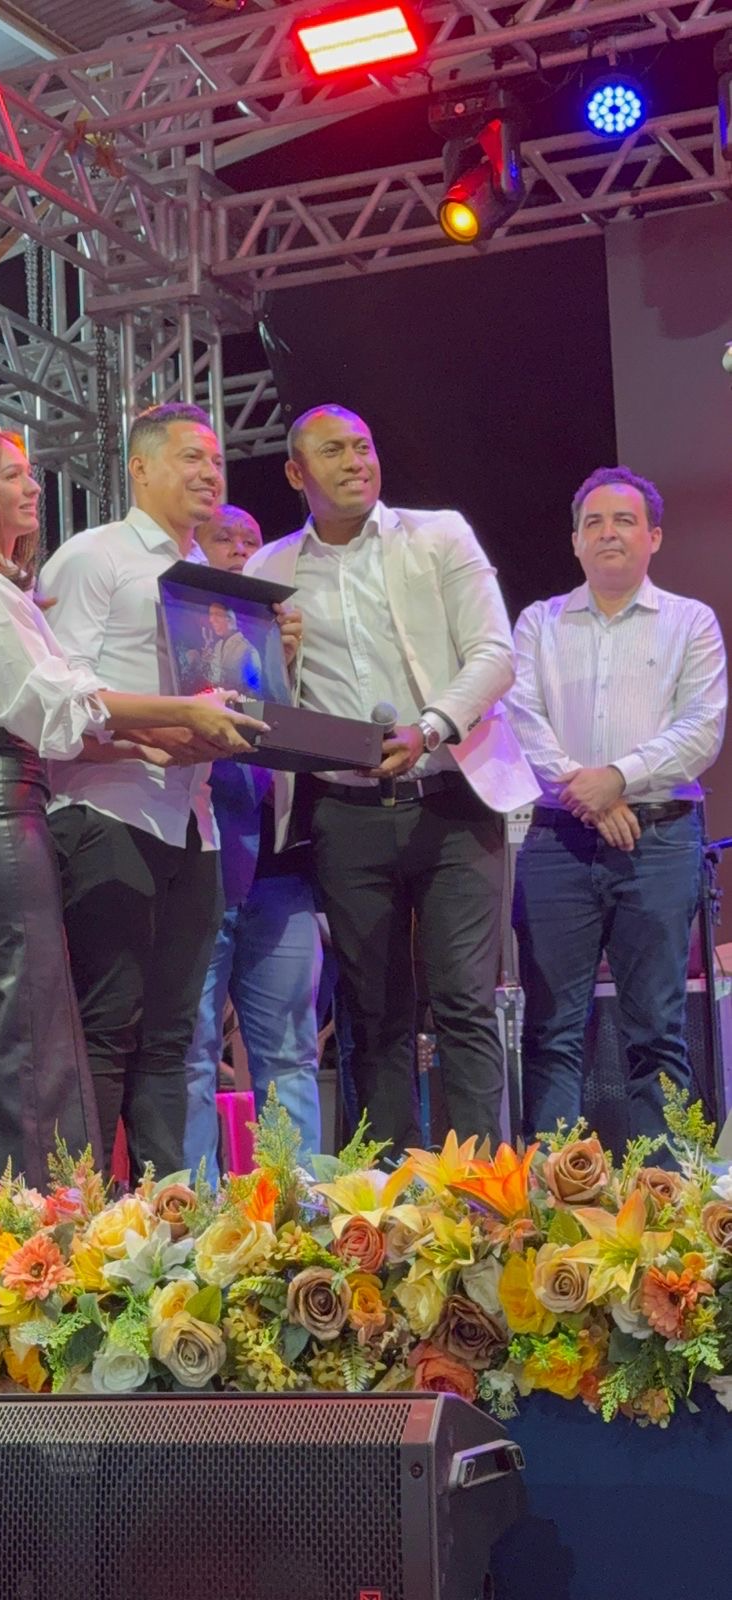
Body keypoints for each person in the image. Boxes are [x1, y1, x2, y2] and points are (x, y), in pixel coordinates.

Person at [0, 425, 260, 1191]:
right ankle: (38, 1215)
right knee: (26, 1030)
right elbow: (61, 699)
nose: (34, 487)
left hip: (10, 794)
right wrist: (184, 712)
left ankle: (30, 1212)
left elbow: (61, 711)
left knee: (22, 1028)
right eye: (14, 476)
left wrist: (153, 743)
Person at [246, 405, 537, 1156]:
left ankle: (481, 1190)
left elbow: (495, 655)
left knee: (464, 1003)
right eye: (333, 451)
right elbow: (251, 704)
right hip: (345, 811)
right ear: (296, 473)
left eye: (364, 446)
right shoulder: (267, 569)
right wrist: (275, 660)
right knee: (373, 1014)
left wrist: (429, 727)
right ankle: (386, 1194)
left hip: (452, 797)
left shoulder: (439, 535)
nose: (356, 462)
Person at [39, 405, 295, 1181]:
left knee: (175, 1038)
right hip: (107, 809)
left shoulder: (212, 583)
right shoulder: (95, 557)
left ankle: (167, 1213)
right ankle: (82, 1215)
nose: (209, 474)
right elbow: (56, 703)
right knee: (106, 1026)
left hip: (193, 821)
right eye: (191, 458)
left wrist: (271, 664)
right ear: (140, 467)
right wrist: (158, 728)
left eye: (216, 461)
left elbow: (237, 704)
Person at [507, 465, 727, 1142]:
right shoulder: (538, 623)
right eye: (593, 522)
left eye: (624, 520)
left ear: (653, 537)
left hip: (659, 841)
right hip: (558, 843)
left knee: (657, 1028)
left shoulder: (690, 622)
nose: (608, 533)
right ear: (575, 540)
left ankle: (663, 1188)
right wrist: (591, 793)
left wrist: (619, 778)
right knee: (551, 1028)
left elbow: (702, 728)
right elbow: (521, 718)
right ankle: (554, 1186)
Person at [184, 505, 321, 1184]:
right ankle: (193, 1216)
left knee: (290, 1055)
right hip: (204, 870)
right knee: (193, 1053)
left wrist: (285, 664)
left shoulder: (283, 637)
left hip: (282, 873)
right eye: (224, 538)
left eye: (251, 538)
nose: (242, 549)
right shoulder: (176, 644)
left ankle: (296, 1210)